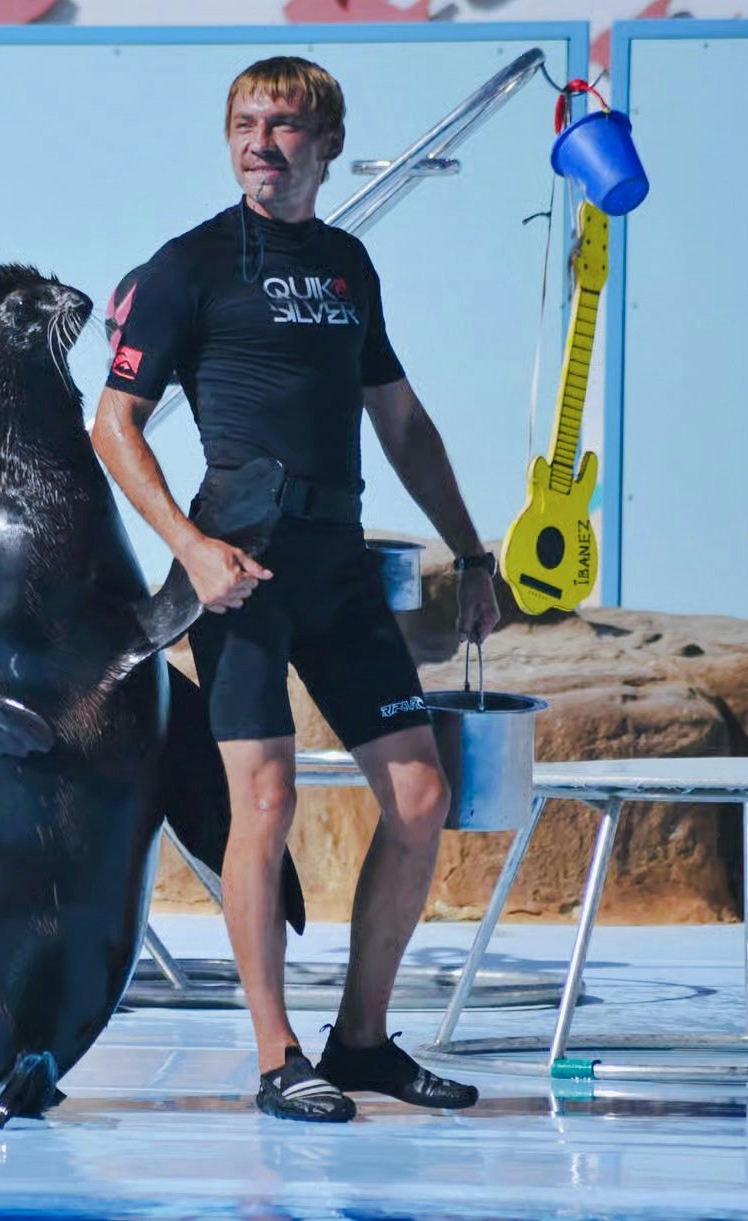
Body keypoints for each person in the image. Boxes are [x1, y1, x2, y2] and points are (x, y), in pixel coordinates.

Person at [92, 56, 502, 1123]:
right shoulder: (187, 266)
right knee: (264, 802)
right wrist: (189, 547)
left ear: (326, 143)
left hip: (337, 564)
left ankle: (359, 1042)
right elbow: (114, 425)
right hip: (240, 569)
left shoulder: (348, 265)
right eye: (244, 123)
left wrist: (472, 553)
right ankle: (278, 1056)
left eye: (281, 126)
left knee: (420, 799)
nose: (259, 143)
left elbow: (401, 422)